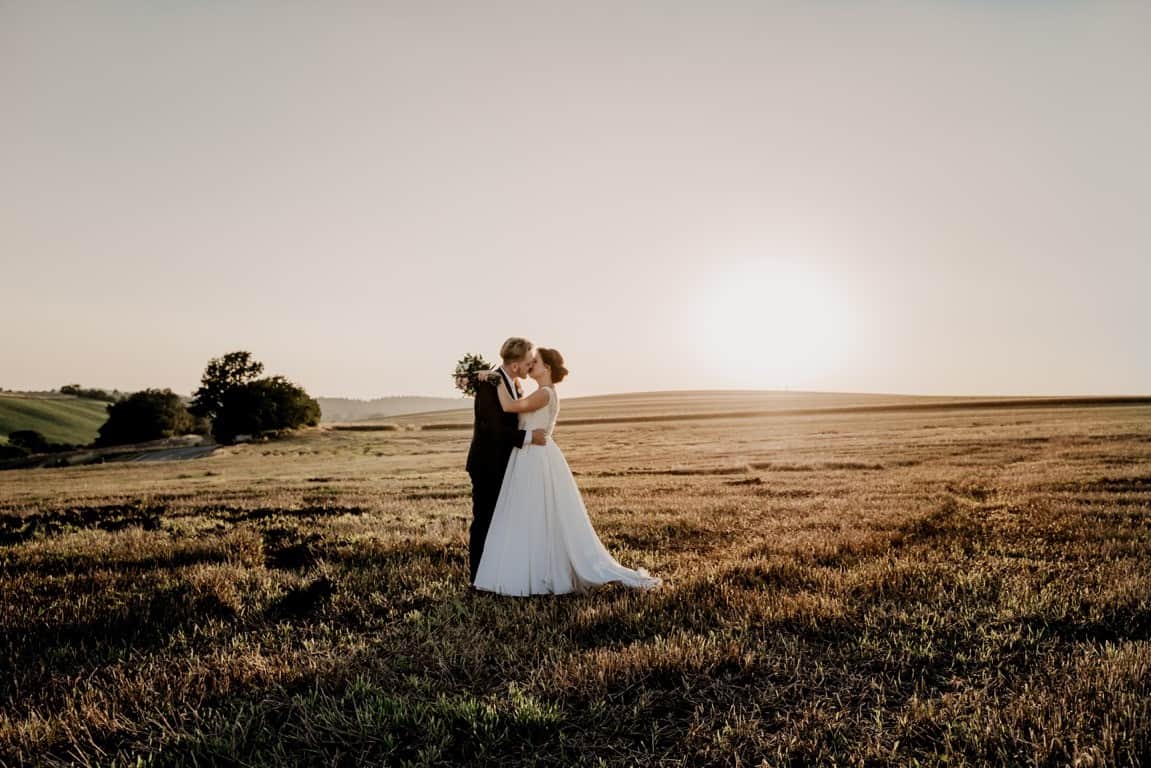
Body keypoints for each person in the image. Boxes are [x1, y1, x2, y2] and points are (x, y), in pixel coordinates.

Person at [473, 347, 661, 596]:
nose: (530, 366)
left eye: (535, 362)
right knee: (530, 514)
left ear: (547, 368)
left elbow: (509, 407)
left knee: (539, 512)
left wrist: (495, 379)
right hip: (528, 456)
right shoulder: (538, 392)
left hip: (537, 458)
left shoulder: (545, 394)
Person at [465, 337, 547, 585]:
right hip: (488, 465)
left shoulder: (510, 383)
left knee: (501, 521)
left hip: (504, 464)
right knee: (485, 520)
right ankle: (478, 579)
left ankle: (497, 574)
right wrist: (530, 436)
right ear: (515, 366)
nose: (530, 366)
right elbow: (493, 430)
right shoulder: (491, 384)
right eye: (528, 362)